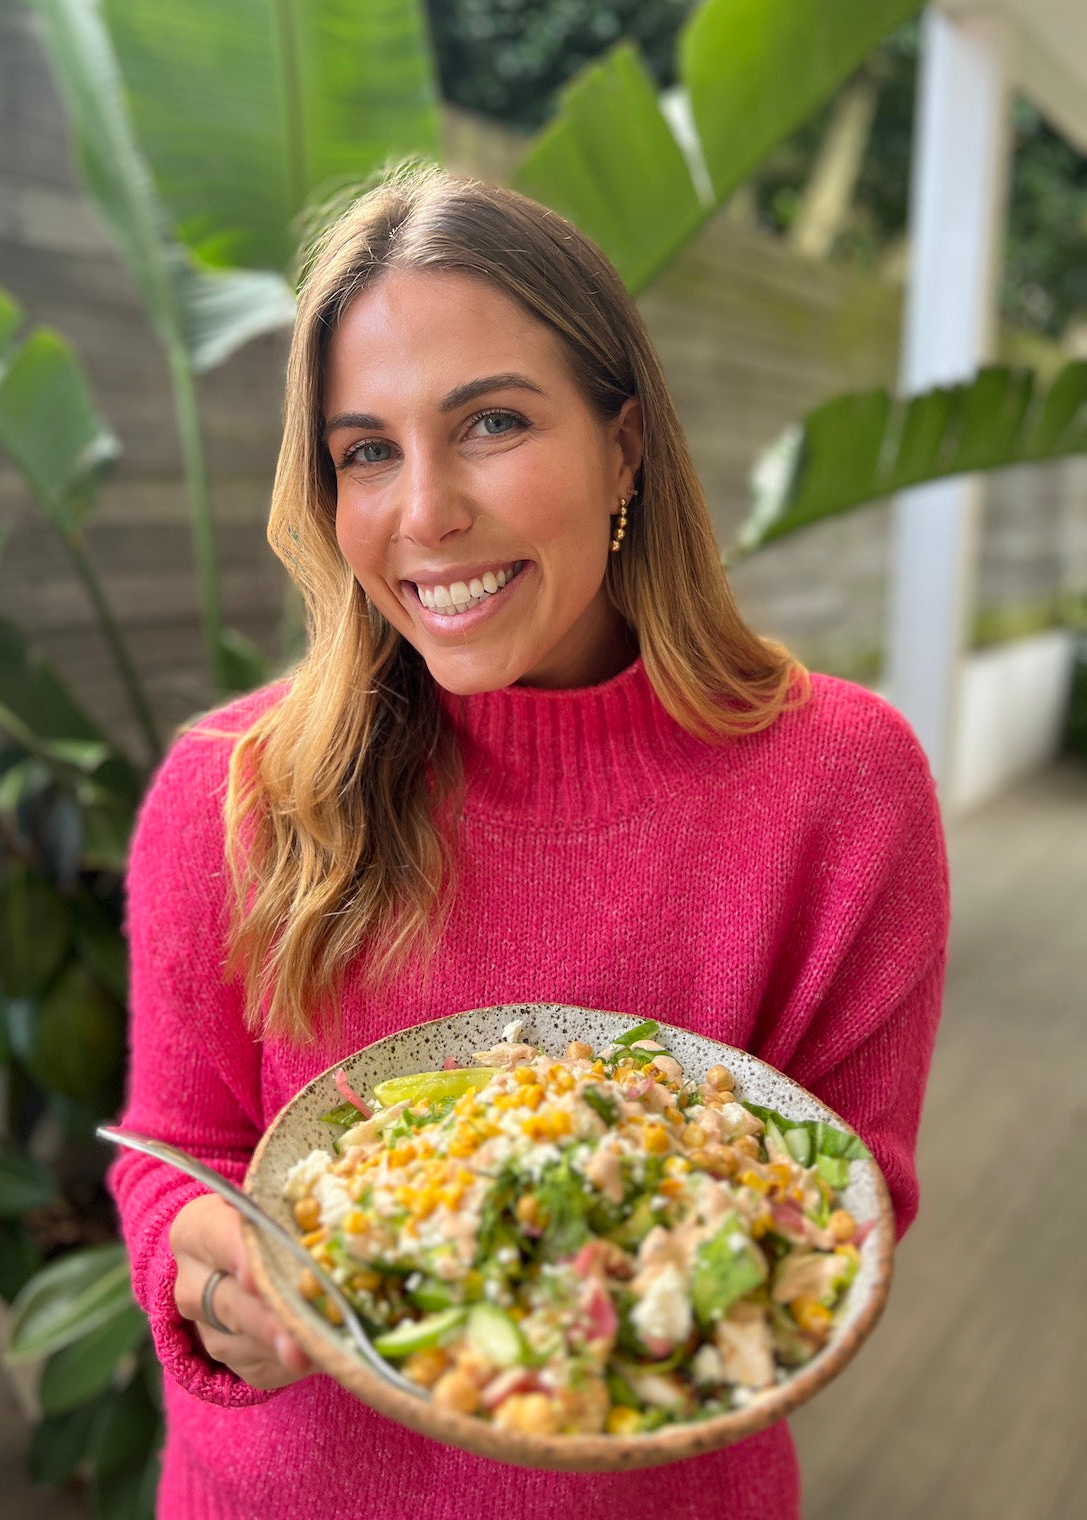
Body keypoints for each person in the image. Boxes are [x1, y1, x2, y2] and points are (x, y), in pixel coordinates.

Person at [108, 164, 948, 1520]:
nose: (423, 512)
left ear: (626, 447)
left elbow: (850, 1187)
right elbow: (174, 1155)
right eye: (365, 451)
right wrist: (206, 1283)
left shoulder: (844, 787)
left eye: (491, 422)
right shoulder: (237, 792)